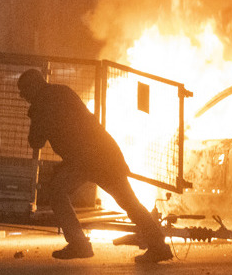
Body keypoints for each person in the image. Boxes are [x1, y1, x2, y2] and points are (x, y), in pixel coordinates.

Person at [17, 68, 172, 263]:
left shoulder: (42, 103)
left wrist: (34, 115)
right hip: (102, 154)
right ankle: (158, 245)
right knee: (128, 201)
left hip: (86, 160)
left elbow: (36, 141)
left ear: (33, 87)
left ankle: (79, 244)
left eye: (23, 91)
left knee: (56, 193)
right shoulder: (61, 91)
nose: (23, 96)